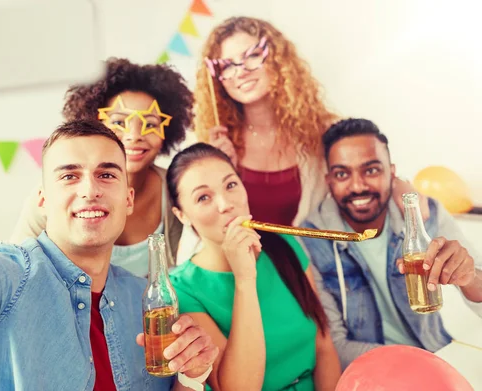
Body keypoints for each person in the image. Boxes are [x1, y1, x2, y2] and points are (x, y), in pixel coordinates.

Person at [0, 1, 218, 390]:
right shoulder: (6, 277)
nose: (89, 189)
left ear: (127, 198)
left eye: (106, 174)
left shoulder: (139, 300)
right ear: (41, 199)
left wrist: (194, 377)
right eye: (69, 175)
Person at [192, 16, 426, 228]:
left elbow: (368, 169)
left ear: (276, 59)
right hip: (241, 269)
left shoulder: (321, 131)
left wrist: (401, 185)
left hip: (309, 269)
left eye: (252, 56)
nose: (240, 72)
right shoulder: (216, 142)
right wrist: (218, 169)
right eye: (227, 65)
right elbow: (201, 221)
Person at [300, 118, 482, 369]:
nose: (358, 186)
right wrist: (413, 365)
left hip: (438, 358)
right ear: (329, 180)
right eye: (342, 173)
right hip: (371, 373)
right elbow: (333, 347)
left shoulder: (426, 214)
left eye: (371, 170)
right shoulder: (311, 240)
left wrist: (469, 277)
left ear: (392, 172)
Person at [165, 143, 341, 391]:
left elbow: (323, 347)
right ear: (182, 214)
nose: (226, 204)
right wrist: (244, 279)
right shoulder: (181, 289)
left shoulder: (285, 245)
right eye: (203, 197)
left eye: (231, 185)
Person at [11, 58, 193, 275]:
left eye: (150, 124)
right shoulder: (52, 196)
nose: (135, 135)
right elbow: (17, 267)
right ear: (94, 124)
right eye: (118, 122)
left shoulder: (177, 190)